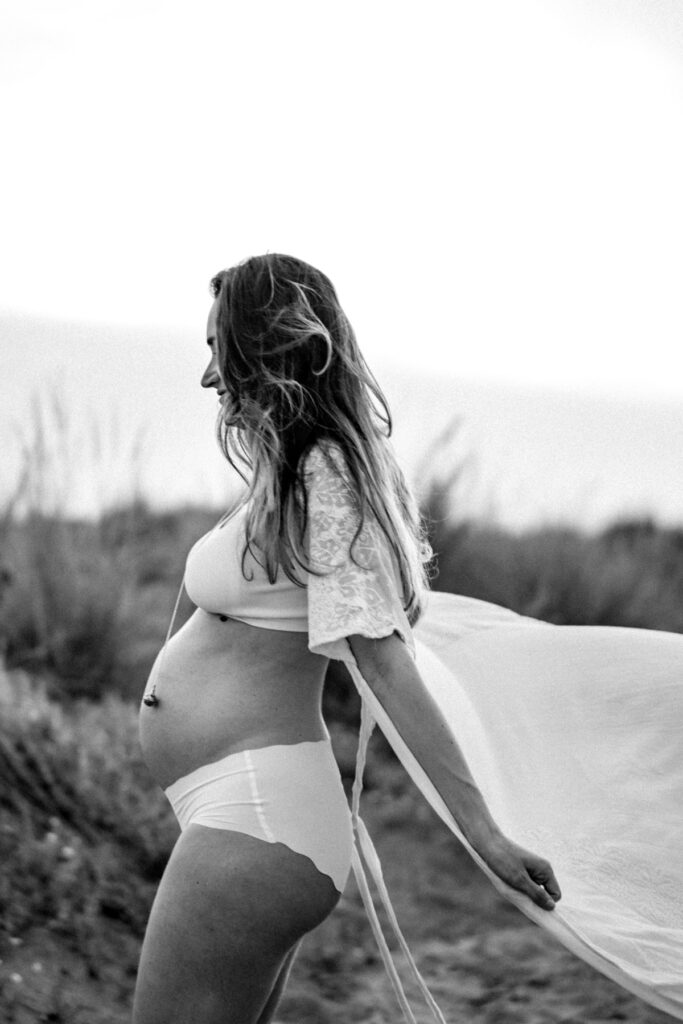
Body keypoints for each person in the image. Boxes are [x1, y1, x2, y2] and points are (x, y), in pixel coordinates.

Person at [133, 254, 683, 1024]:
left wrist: (485, 836)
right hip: (239, 808)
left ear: (266, 345)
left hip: (255, 812)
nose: (207, 377)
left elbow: (384, 662)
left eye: (216, 349)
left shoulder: (327, 476)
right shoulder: (291, 472)